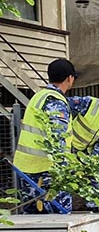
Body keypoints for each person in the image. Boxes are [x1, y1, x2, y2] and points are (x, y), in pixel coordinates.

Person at [13, 59, 77, 213]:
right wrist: (65, 171)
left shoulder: (38, 96)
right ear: (70, 78)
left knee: (32, 217)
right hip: (47, 170)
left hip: (26, 167)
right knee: (58, 217)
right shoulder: (55, 101)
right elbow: (57, 139)